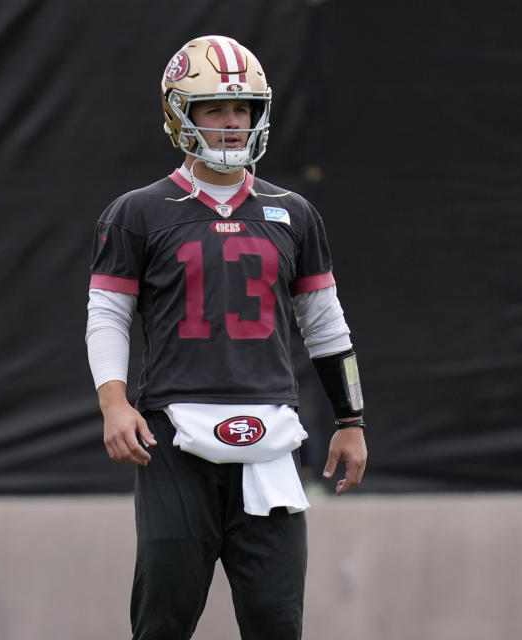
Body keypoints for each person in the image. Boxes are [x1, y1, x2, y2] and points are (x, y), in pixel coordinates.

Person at [86, 34, 368, 640]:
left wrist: (351, 421)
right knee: (165, 613)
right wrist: (114, 402)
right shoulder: (138, 211)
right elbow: (107, 314)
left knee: (275, 620)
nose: (232, 122)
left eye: (243, 109)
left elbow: (325, 323)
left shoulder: (293, 212)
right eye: (215, 108)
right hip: (173, 432)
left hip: (270, 433)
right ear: (178, 114)